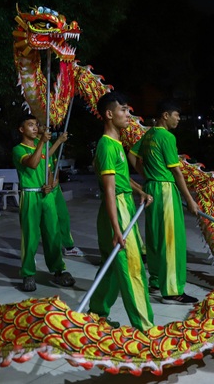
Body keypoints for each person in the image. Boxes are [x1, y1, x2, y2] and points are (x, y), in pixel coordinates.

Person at [88, 91, 154, 330]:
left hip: (121, 205)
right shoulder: (106, 146)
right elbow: (109, 191)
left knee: (112, 268)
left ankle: (96, 315)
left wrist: (140, 191)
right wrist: (117, 229)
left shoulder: (115, 144)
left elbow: (121, 180)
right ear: (109, 114)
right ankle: (145, 327)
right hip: (118, 209)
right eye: (124, 110)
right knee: (132, 267)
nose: (129, 115)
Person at [129, 99, 199, 305]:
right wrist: (190, 200)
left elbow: (132, 156)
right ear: (165, 115)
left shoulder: (149, 134)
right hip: (166, 190)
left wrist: (147, 176)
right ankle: (172, 290)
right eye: (176, 115)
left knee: (155, 237)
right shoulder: (166, 136)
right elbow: (176, 171)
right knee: (172, 240)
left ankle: (156, 281)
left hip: (151, 188)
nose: (178, 118)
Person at [12, 114, 75, 292]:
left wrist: (50, 183)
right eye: (29, 125)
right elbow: (32, 163)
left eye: (35, 125)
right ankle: (28, 273)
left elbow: (47, 167)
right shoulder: (18, 149)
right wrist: (41, 143)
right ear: (21, 129)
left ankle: (58, 270)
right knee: (30, 236)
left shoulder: (44, 147)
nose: (34, 127)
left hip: (46, 196)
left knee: (52, 233)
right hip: (30, 195)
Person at [48, 130, 85, 257]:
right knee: (45, 222)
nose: (43, 128)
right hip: (43, 189)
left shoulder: (48, 143)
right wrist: (58, 141)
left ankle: (68, 246)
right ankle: (34, 253)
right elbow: (43, 159)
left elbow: (54, 163)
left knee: (63, 216)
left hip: (55, 187)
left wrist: (56, 179)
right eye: (38, 125)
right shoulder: (35, 145)